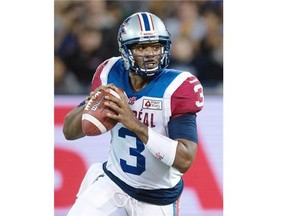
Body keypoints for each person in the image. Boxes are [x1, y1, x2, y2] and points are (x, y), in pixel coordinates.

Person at [63, 12, 204, 216]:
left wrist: (135, 124)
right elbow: (69, 131)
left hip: (157, 199)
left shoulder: (177, 87)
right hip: (114, 183)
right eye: (141, 47)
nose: (150, 54)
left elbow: (185, 160)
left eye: (156, 47)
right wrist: (94, 104)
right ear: (126, 50)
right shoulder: (110, 72)